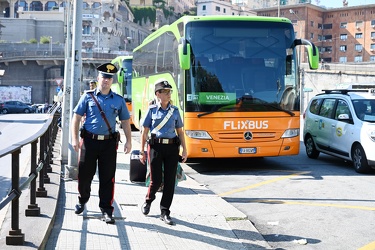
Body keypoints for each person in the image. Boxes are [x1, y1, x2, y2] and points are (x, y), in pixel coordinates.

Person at [70, 63, 132, 224]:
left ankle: (106, 210)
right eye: (104, 77)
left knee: (107, 178)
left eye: (109, 78)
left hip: (108, 144)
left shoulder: (118, 100)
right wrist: (75, 139)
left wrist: (129, 141)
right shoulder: (88, 96)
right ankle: (82, 199)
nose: (106, 80)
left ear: (112, 81)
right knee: (84, 175)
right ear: (98, 78)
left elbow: (125, 121)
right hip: (89, 142)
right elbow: (76, 118)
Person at [139, 78, 187, 225]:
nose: (168, 94)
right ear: (158, 94)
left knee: (170, 181)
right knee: (156, 179)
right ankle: (148, 201)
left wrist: (184, 149)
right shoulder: (152, 110)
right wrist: (142, 151)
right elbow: (144, 131)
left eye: (169, 91)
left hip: (172, 148)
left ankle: (165, 211)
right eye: (165, 92)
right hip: (155, 148)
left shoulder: (175, 111)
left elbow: (180, 131)